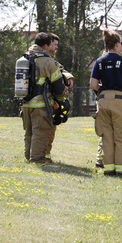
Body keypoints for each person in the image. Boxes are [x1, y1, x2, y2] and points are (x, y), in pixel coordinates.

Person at [89, 29, 122, 176]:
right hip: (121, 102)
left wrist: (104, 89)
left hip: (103, 101)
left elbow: (93, 84)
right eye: (121, 44)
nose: (121, 47)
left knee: (107, 136)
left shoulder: (99, 62)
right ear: (116, 44)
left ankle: (109, 169)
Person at [21, 32, 67, 163]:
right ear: (46, 46)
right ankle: (36, 160)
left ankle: (28, 158)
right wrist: (60, 99)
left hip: (25, 104)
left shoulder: (25, 58)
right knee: (40, 133)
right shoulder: (47, 61)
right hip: (41, 104)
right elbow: (58, 85)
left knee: (29, 133)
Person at [45, 33, 75, 163]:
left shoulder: (52, 60)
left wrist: (69, 77)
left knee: (52, 127)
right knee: (45, 129)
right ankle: (42, 154)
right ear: (47, 44)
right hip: (46, 99)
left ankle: (46, 154)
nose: (56, 47)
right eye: (54, 45)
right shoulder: (44, 59)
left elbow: (60, 69)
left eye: (57, 45)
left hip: (52, 100)